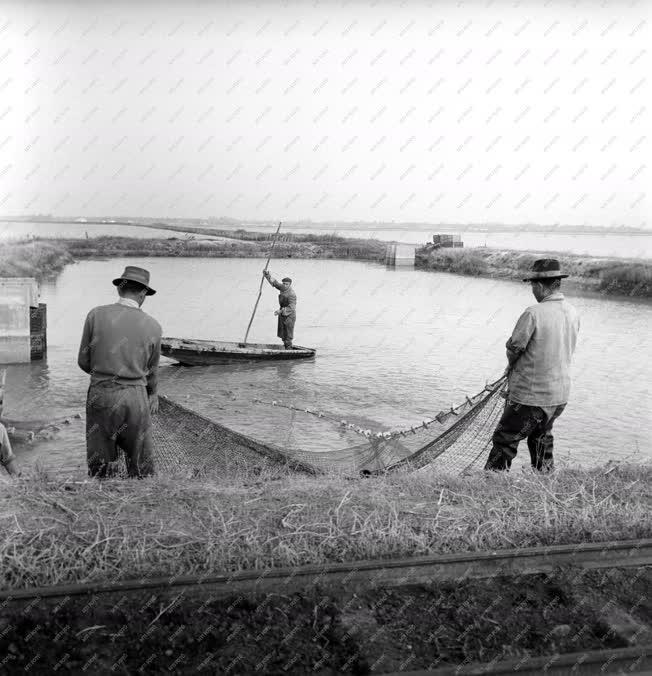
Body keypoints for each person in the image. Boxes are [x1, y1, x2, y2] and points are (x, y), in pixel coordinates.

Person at [485, 258, 580, 472]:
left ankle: (490, 483)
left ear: (538, 285)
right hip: (558, 395)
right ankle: (545, 479)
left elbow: (514, 348)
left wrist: (510, 367)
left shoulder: (533, 313)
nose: (532, 291)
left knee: (505, 438)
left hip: (531, 396)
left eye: (532, 286)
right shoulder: (573, 312)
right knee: (541, 436)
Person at [77, 266, 162, 478]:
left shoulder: (95, 315)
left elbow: (83, 361)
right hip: (135, 397)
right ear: (143, 293)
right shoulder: (153, 326)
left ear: (119, 289)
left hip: (101, 393)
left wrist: (104, 375)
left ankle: (103, 495)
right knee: (140, 462)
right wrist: (152, 394)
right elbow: (152, 371)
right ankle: (139, 502)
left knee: (100, 460)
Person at [263, 270, 297, 349]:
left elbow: (292, 307)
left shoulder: (292, 294)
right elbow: (275, 283)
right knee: (283, 335)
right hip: (282, 314)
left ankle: (289, 349)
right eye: (284, 283)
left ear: (290, 284)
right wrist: (267, 275)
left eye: (286, 284)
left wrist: (280, 311)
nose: (284, 285)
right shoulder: (283, 288)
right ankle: (286, 348)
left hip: (289, 316)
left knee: (288, 335)